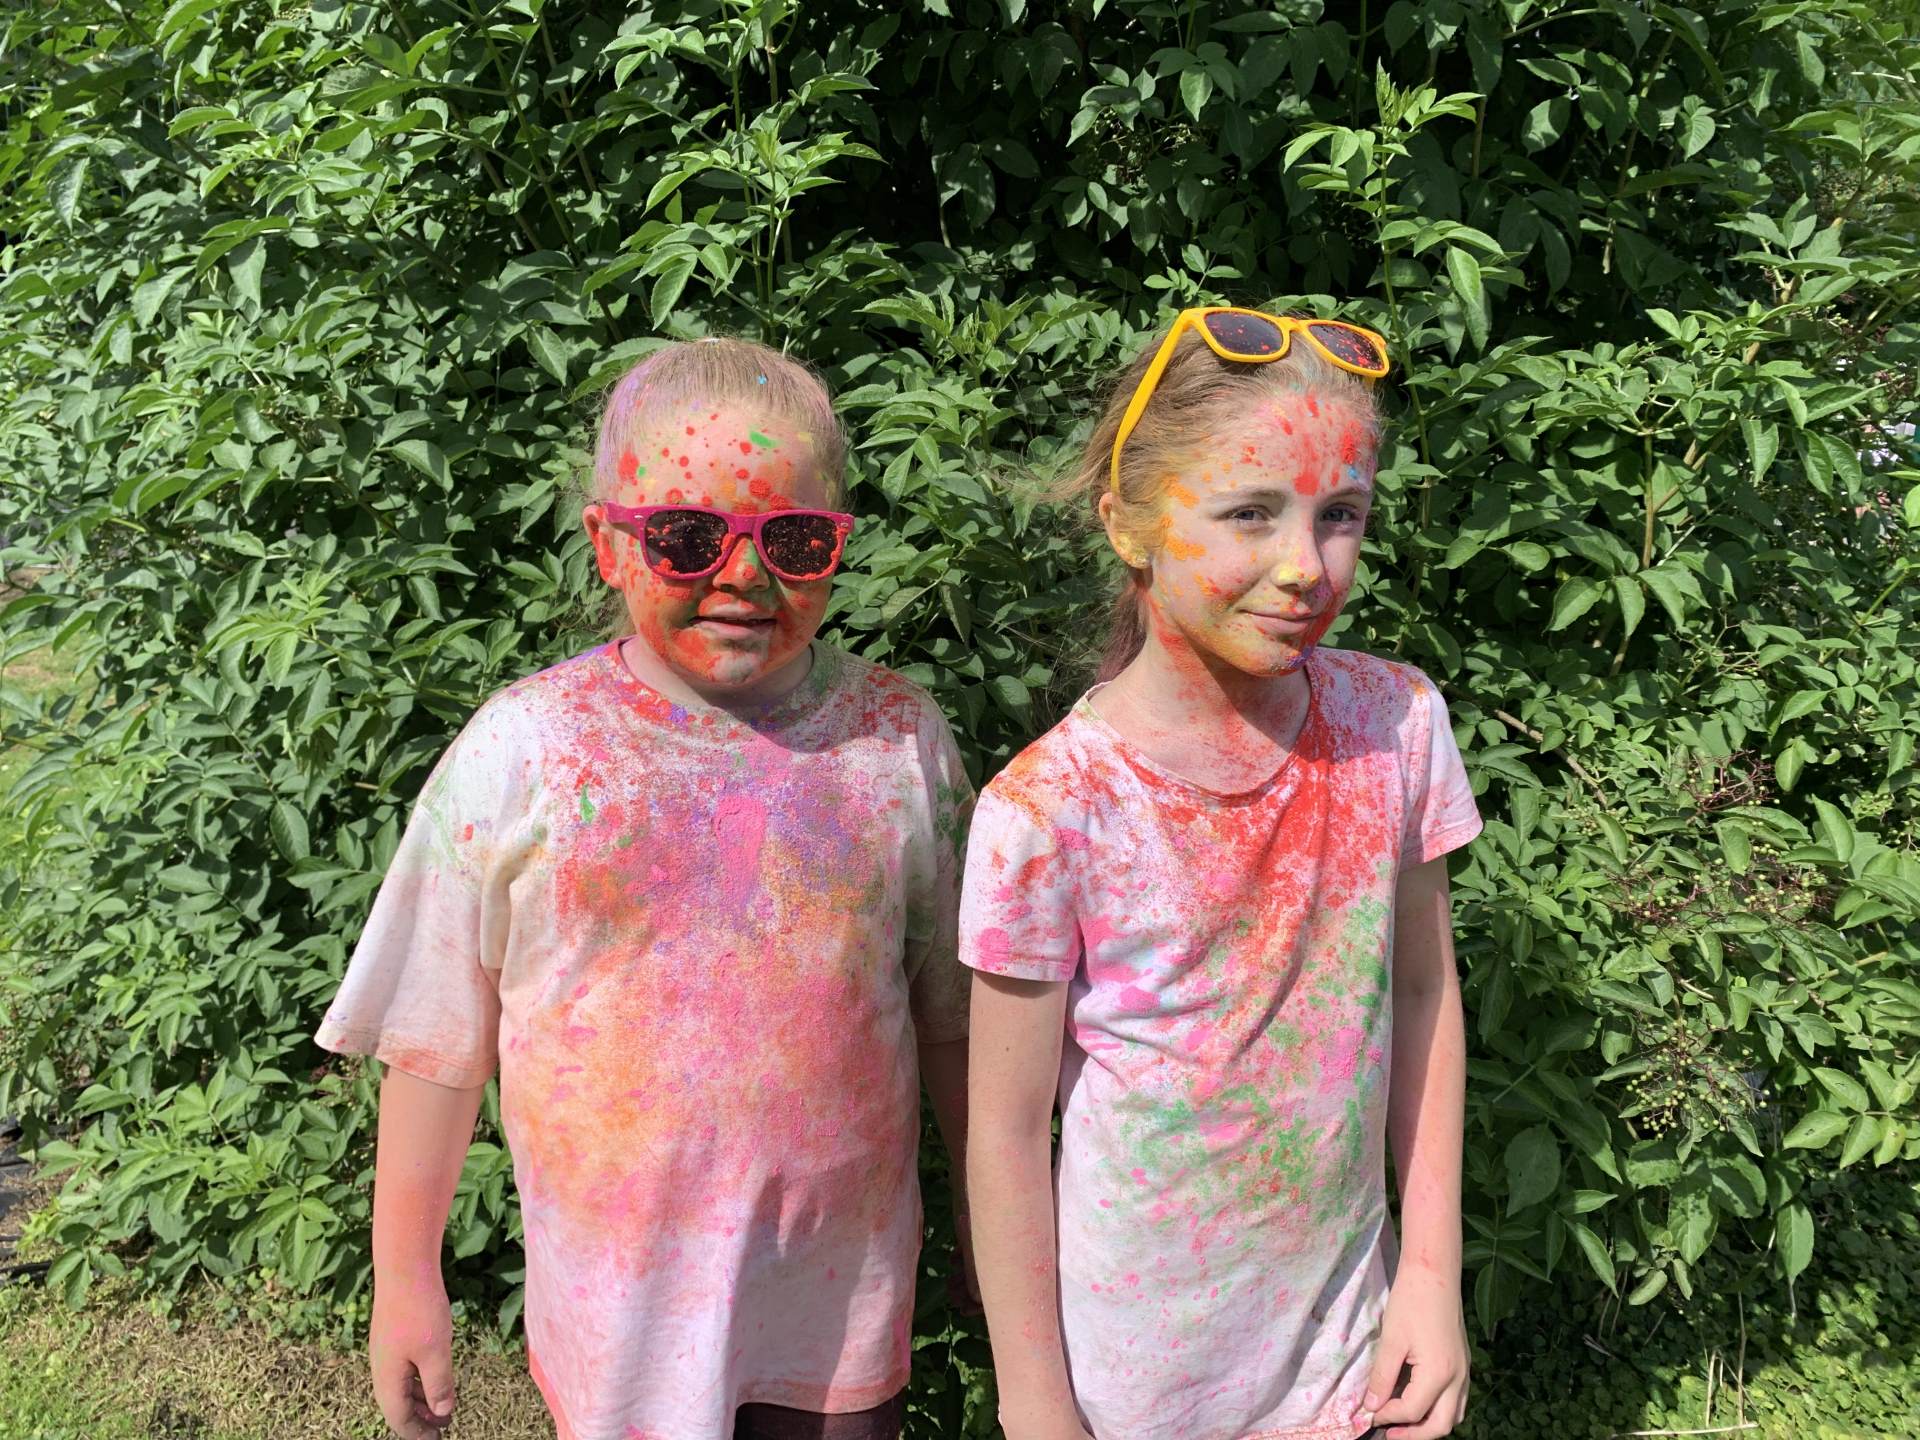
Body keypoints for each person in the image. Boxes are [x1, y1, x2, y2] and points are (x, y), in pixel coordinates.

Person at [315, 338, 974, 1440]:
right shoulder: (528, 748)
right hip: (620, 1308)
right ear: (608, 546)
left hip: (837, 1296)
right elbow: (433, 1040)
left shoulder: (896, 739)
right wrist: (406, 1279)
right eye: (687, 537)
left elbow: (953, 1018)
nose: (746, 576)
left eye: (794, 539)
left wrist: (992, 1224)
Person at [962, 309, 1480, 1440]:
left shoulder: (1395, 722)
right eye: (1250, 512)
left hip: (1353, 1350)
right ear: (1129, 525)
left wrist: (1431, 1279)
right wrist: (1035, 1404)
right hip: (1141, 1384)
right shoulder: (1048, 809)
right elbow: (1003, 1135)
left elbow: (1425, 992)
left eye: (1340, 515)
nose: (1305, 567)